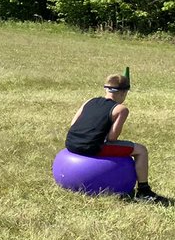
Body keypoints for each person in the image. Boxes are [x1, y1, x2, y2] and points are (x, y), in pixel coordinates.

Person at [65, 73, 165, 204]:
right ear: (124, 93)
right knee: (141, 150)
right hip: (92, 147)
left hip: (71, 143)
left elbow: (73, 124)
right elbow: (112, 137)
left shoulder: (89, 101)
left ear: (106, 89)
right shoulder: (121, 109)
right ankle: (143, 191)